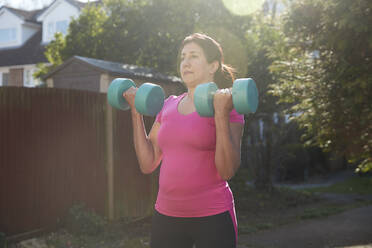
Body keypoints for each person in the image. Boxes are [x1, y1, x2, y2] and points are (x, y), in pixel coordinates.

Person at [123, 33, 244, 248]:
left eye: (194, 56)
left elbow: (227, 170)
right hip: (167, 216)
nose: (186, 63)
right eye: (183, 57)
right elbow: (147, 163)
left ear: (213, 65)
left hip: (213, 215)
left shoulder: (228, 106)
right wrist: (135, 111)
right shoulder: (168, 106)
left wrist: (220, 114)